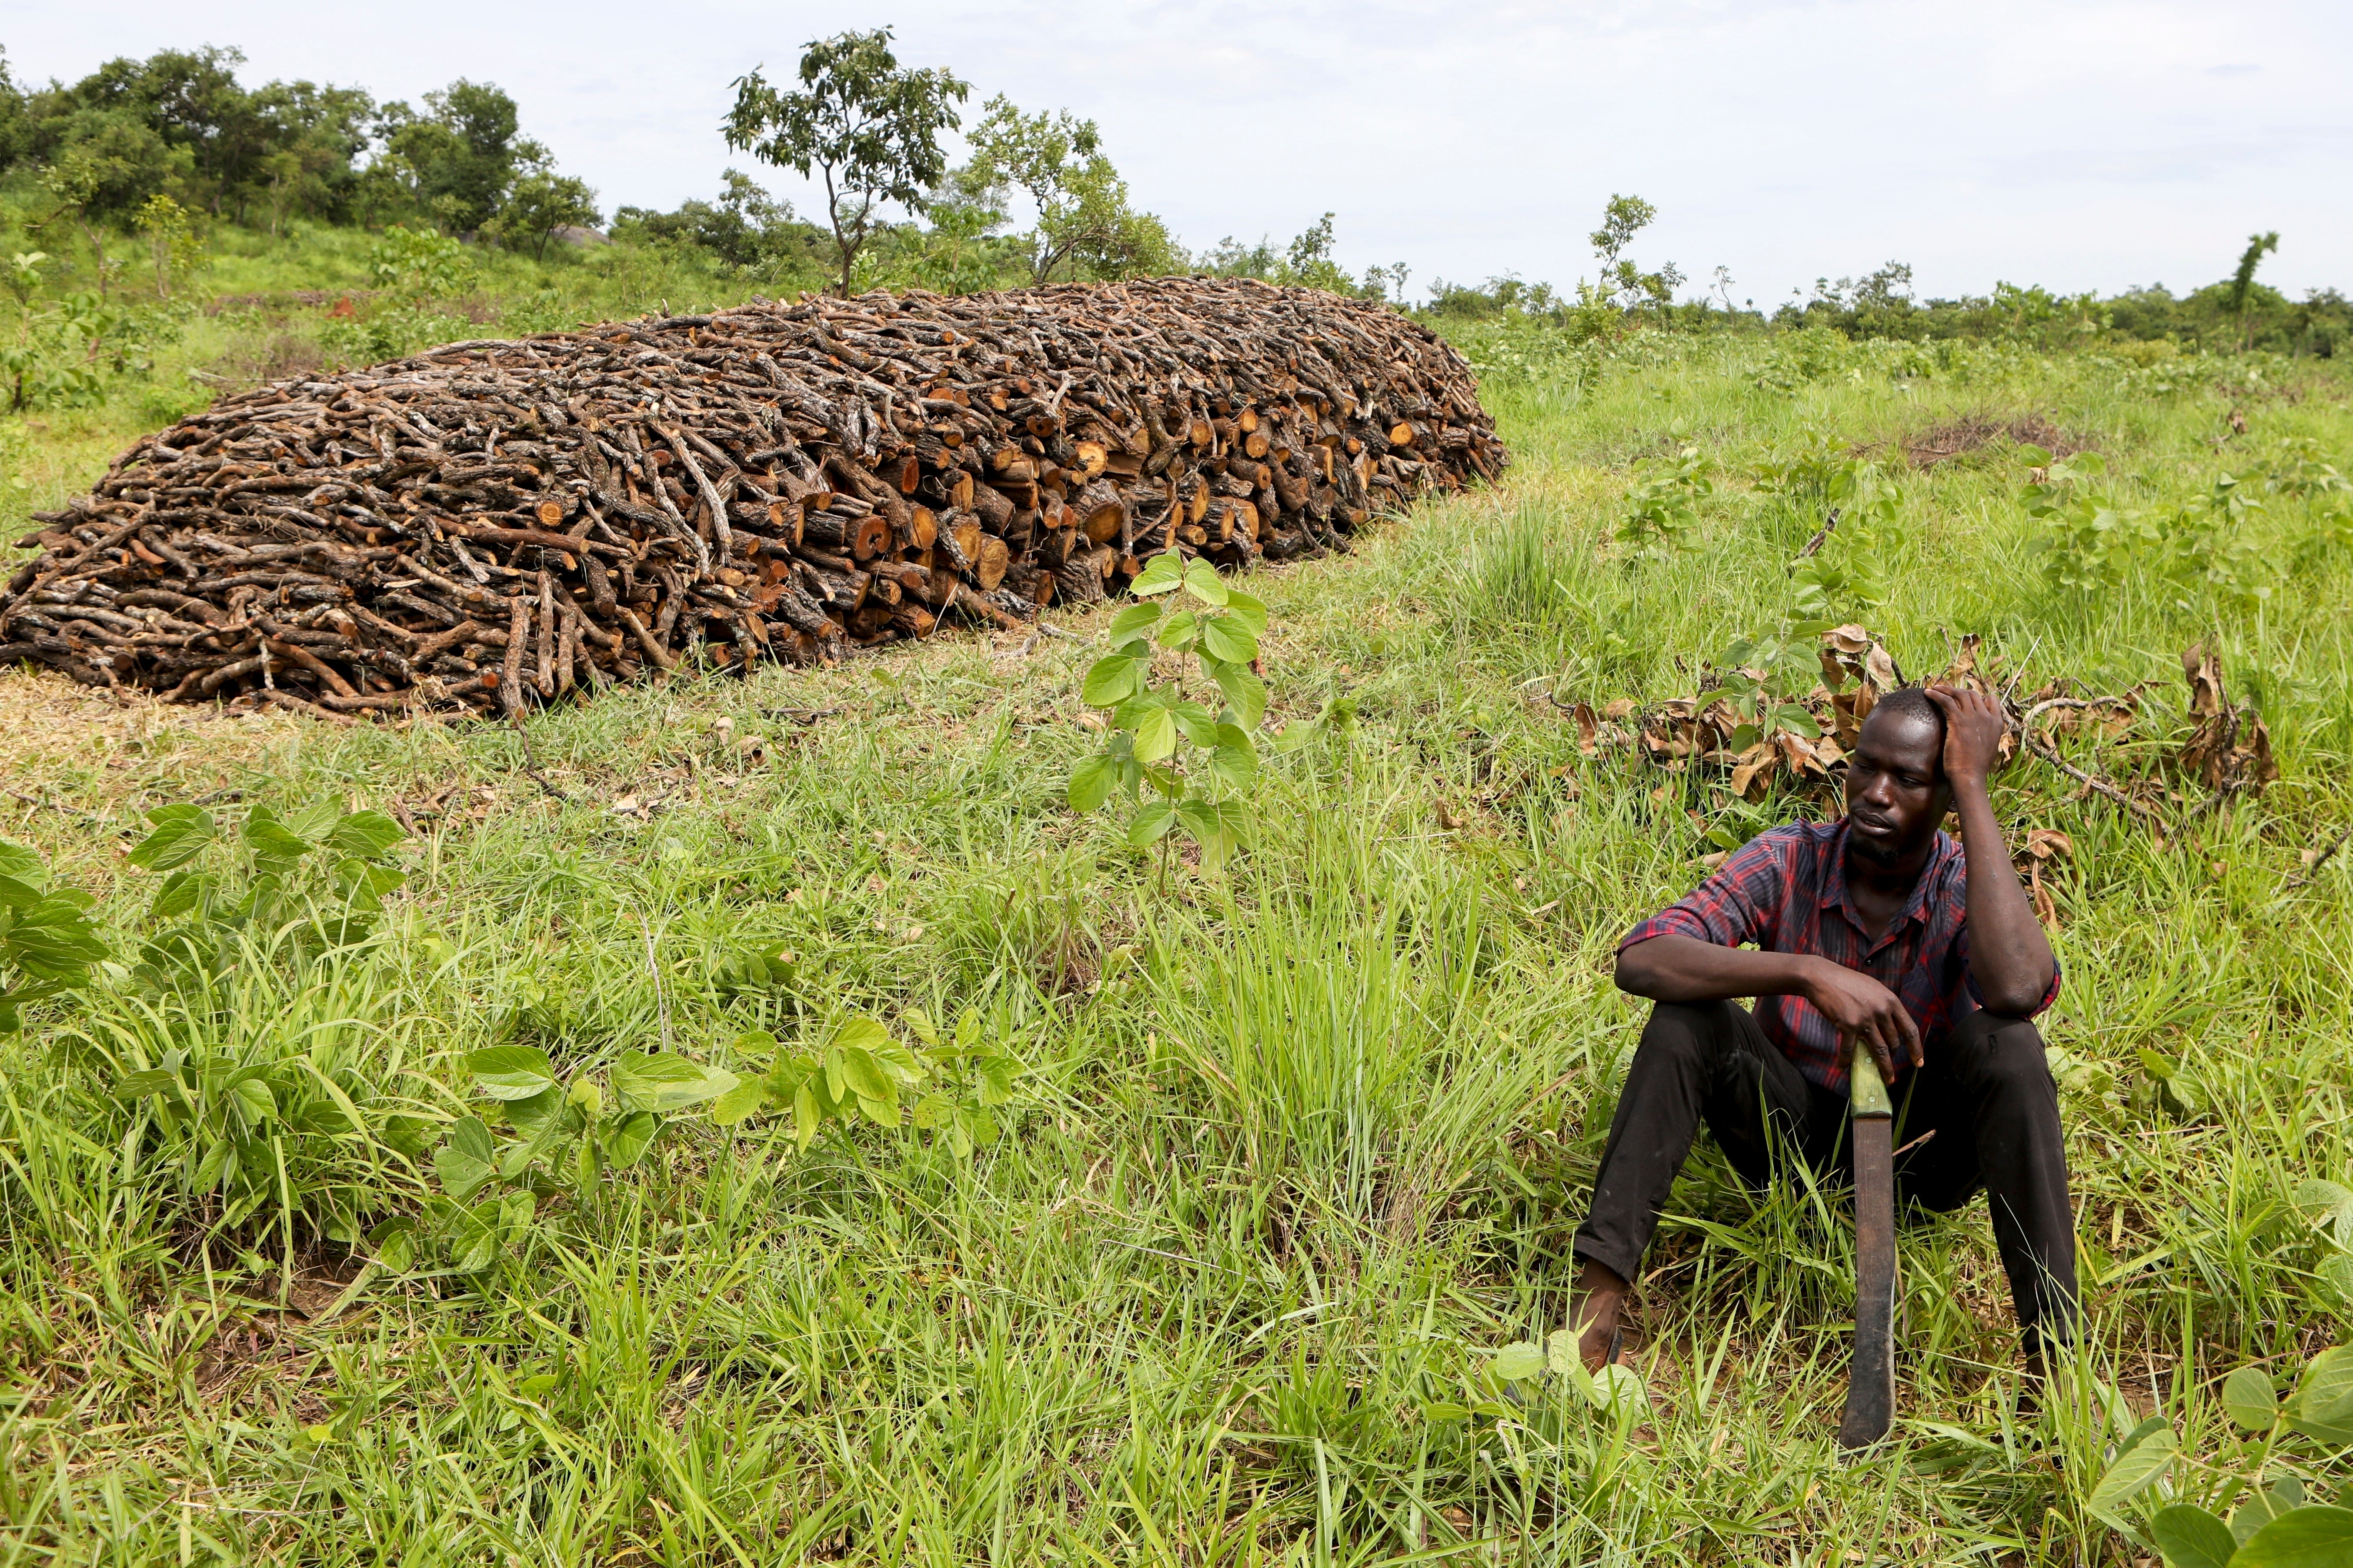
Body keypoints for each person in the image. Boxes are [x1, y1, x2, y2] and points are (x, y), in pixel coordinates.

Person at [1568, 683, 2074, 1378]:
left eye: (1909, 780)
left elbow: (2019, 988)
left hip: (1915, 1158)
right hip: (1789, 1141)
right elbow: (1643, 956)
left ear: (1945, 797)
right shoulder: (1792, 856)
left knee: (2010, 1047)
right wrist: (1806, 973)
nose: (1877, 793)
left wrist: (1973, 786)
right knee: (1687, 1019)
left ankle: (2055, 1363)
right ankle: (1592, 1314)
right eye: (1866, 766)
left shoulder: (1962, 886)